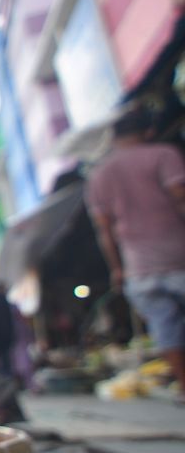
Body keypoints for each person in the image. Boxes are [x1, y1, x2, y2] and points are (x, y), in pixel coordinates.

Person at [86, 103, 185, 402]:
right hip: (178, 255)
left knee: (164, 327)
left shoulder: (100, 175)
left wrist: (118, 269)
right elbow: (181, 199)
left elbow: (105, 231)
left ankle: (183, 384)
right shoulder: (162, 155)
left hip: (138, 267)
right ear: (149, 131)